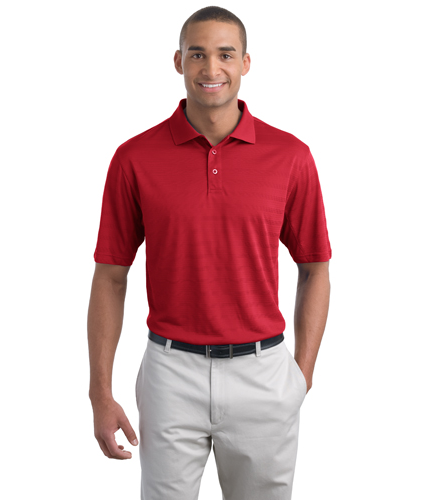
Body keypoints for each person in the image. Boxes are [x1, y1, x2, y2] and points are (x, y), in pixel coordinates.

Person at [87, 6, 332, 500]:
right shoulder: (134, 157)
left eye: (225, 54)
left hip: (263, 373)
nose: (211, 68)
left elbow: (315, 268)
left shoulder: (291, 156)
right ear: (178, 61)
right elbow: (110, 276)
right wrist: (100, 391)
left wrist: (300, 376)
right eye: (197, 54)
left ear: (246, 63)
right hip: (170, 373)